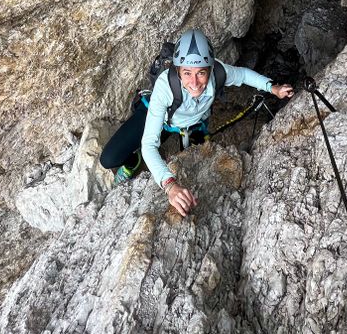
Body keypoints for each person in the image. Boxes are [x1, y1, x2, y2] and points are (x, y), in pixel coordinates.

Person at [99, 28, 294, 217]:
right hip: (160, 117)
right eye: (187, 73)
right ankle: (133, 161)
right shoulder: (165, 86)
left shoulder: (218, 71)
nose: (194, 82)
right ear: (178, 70)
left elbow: (242, 75)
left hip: (193, 125)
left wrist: (272, 87)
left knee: (202, 171)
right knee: (109, 159)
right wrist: (170, 186)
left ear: (209, 68)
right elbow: (149, 144)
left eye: (201, 73)